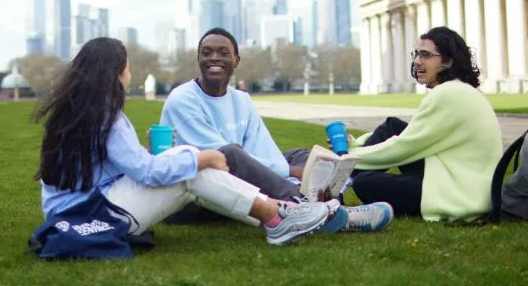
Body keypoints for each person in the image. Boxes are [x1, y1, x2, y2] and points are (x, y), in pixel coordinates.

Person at [35, 37, 336, 249]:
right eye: (127, 67)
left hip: (79, 210)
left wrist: (184, 158)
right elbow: (146, 172)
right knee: (193, 167)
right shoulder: (105, 115)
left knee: (188, 158)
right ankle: (278, 216)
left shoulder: (78, 110)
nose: (130, 73)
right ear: (114, 72)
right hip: (92, 217)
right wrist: (201, 159)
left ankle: (278, 213)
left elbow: (120, 167)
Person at [160, 28, 393, 233]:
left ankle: (325, 201)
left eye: (223, 53)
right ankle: (317, 211)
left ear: (236, 60)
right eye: (207, 52)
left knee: (303, 156)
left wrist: (298, 170)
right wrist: (294, 174)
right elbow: (219, 161)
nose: (214, 58)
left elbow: (261, 150)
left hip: (239, 175)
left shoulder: (241, 100)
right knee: (229, 154)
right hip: (198, 194)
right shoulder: (183, 99)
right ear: (198, 58)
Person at [340, 26, 503, 222]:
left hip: (460, 193)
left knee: (365, 183)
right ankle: (340, 181)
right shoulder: (458, 90)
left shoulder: (448, 94)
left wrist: (350, 156)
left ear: (448, 61)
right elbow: (411, 134)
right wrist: (355, 146)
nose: (417, 61)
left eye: (425, 55)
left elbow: (404, 146)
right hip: (459, 179)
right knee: (392, 126)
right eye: (416, 54)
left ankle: (339, 181)